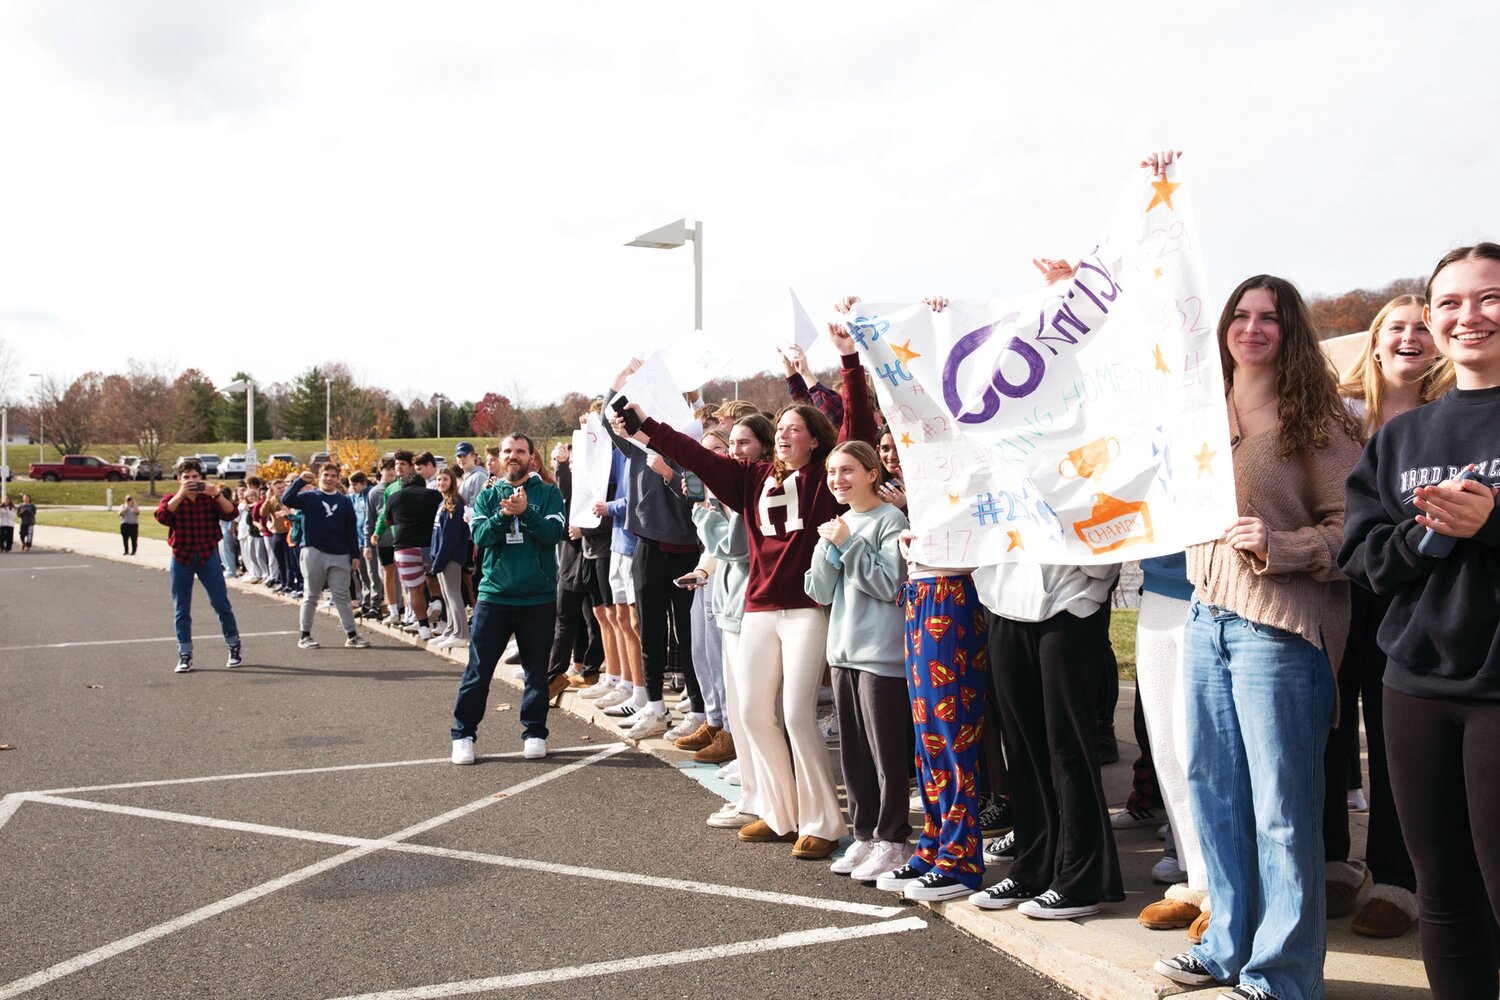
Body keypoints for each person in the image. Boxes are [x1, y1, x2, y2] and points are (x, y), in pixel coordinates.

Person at [1153, 269, 1363, 1000]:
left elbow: (1357, 533)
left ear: (1290, 330)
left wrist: (1286, 545)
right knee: (1214, 789)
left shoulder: (1318, 420)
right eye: (1240, 315)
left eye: (1268, 317)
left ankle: (1283, 974)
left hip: (1278, 628)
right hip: (1206, 616)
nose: (1252, 327)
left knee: (1280, 809)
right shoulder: (1200, 416)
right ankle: (1226, 946)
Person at [612, 311, 877, 861]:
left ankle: (822, 820)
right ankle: (779, 813)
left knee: (798, 713)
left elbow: (860, 431)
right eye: (778, 430)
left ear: (814, 442)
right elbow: (693, 455)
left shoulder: (826, 480)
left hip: (806, 608)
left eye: (793, 430)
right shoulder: (750, 478)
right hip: (758, 606)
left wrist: (849, 360)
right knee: (753, 712)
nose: (783, 436)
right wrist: (642, 426)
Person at [1339, 242, 1500, 999]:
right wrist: (1433, 532)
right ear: (1433, 319)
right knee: (1441, 886)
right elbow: (1363, 558)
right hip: (1414, 688)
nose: (1469, 316)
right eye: (1452, 303)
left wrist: (1488, 522)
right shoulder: (1404, 438)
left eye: (1489, 297)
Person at [1324, 294, 1448, 937]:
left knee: (1397, 741)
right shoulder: (1338, 420)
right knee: (1329, 729)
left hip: (1415, 597)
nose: (1410, 337)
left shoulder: (1450, 419)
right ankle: (1330, 865)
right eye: (1395, 327)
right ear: (1372, 343)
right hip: (1339, 591)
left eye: (1423, 329)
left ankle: (1396, 880)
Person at [804, 441, 911, 884]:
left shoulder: (891, 520)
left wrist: (848, 546)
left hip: (881, 656)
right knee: (854, 754)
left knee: (886, 753)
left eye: (847, 470)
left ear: (871, 473)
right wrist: (829, 551)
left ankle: (895, 839)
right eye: (832, 472)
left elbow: (889, 584)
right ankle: (864, 835)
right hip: (842, 653)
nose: (837, 480)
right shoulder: (839, 524)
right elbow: (818, 591)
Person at [600, 368, 704, 742]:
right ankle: (656, 707)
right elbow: (608, 419)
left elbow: (698, 493)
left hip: (689, 550)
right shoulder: (639, 443)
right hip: (648, 545)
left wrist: (668, 474)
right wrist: (619, 379)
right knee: (651, 632)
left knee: (690, 636)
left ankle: (697, 709)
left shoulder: (693, 443)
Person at [451, 433, 566, 762]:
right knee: (478, 671)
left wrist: (527, 512)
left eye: (520, 451)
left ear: (532, 457)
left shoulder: (548, 494)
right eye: (507, 451)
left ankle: (534, 731)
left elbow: (551, 534)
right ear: (500, 457)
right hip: (494, 597)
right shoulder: (489, 496)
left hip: (538, 598)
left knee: (535, 672)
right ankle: (463, 734)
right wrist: (504, 515)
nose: (513, 456)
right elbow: (482, 537)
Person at [695, 412, 773, 827]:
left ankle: (760, 792)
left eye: (744, 443)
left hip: (748, 609)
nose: (737, 452)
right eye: (733, 444)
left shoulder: (751, 491)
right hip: (729, 609)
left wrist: (705, 518)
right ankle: (751, 791)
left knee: (754, 708)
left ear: (762, 447)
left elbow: (737, 548)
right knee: (740, 707)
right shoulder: (728, 492)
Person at [154, 459, 243, 673]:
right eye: (186, 478)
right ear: (179, 479)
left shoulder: (209, 499)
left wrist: (216, 494)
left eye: (195, 477)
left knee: (220, 603)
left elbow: (232, 513)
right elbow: (163, 517)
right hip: (182, 557)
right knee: (181, 607)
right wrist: (181, 494)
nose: (191, 481)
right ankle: (185, 653)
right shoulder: (172, 499)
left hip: (207, 555)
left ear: (201, 478)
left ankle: (233, 645)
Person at [282, 463, 369, 650]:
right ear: (319, 477)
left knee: (342, 596)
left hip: (339, 554)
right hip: (313, 551)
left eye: (333, 476)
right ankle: (305, 635)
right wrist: (300, 481)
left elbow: (350, 529)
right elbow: (287, 499)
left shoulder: (345, 501)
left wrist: (354, 554)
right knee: (311, 594)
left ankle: (352, 635)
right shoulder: (308, 497)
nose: (329, 479)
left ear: (338, 479)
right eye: (325, 475)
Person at [376, 467, 442, 640]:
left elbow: (387, 520)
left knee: (415, 588)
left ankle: (423, 627)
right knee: (433, 576)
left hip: (404, 547)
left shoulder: (394, 497)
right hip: (430, 544)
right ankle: (436, 601)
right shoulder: (434, 495)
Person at [429, 466, 471, 649]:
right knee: (446, 594)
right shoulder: (443, 503)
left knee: (453, 594)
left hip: (450, 557)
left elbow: (450, 537)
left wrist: (439, 560)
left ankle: (461, 634)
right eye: (439, 480)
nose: (441, 483)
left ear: (452, 481)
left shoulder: (454, 503)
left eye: (445, 479)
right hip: (441, 556)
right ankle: (451, 630)